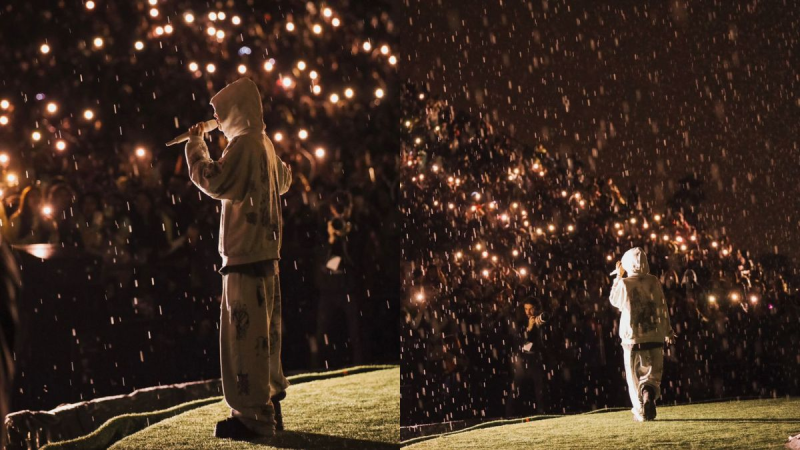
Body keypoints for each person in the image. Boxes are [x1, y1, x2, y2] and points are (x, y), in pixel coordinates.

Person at [185, 77, 292, 440]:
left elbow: (212, 180)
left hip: (244, 255)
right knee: (266, 337)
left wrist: (196, 145)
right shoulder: (261, 142)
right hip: (266, 254)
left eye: (220, 112)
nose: (217, 118)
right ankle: (270, 403)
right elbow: (286, 179)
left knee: (244, 339)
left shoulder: (245, 145)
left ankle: (252, 417)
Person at [609, 247, 676, 422]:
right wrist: (668, 330)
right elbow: (663, 307)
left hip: (632, 338)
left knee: (633, 378)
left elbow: (614, 300)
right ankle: (649, 394)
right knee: (653, 375)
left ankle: (641, 410)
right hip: (654, 335)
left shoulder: (625, 283)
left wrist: (618, 276)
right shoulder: (653, 282)